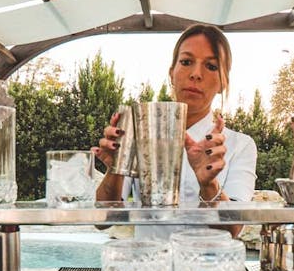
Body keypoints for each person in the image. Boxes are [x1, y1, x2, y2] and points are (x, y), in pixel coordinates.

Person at [92, 24, 257, 238]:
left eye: (211, 66)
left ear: (223, 83)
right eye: (186, 62)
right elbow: (103, 221)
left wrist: (208, 185)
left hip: (207, 269)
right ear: (172, 72)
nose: (196, 74)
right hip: (149, 267)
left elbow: (233, 230)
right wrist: (115, 169)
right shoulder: (141, 134)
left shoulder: (240, 145)